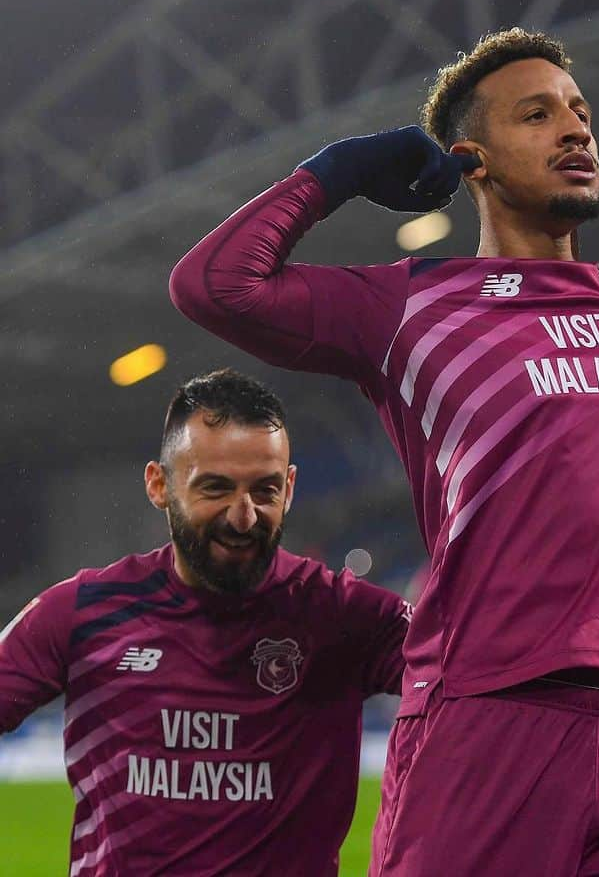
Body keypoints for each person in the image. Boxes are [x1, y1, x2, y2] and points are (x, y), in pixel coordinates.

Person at [169, 27, 599, 876]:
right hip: (487, 729)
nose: (576, 131)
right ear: (472, 161)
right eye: (538, 114)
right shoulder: (412, 305)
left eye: (582, 113)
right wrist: (333, 175)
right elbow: (213, 284)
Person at [0, 369, 410, 876]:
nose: (243, 517)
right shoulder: (83, 611)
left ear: (291, 488)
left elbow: (482, 674)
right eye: (215, 488)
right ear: (159, 485)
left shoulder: (343, 615)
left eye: (265, 490)